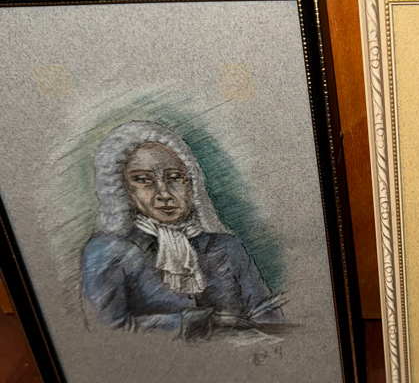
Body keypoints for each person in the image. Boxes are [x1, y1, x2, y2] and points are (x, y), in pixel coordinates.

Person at [81, 121, 285, 339]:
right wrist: (200, 323)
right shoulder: (107, 251)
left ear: (191, 183)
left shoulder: (224, 247)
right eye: (143, 180)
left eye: (175, 178)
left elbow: (269, 317)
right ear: (124, 190)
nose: (164, 193)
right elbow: (105, 332)